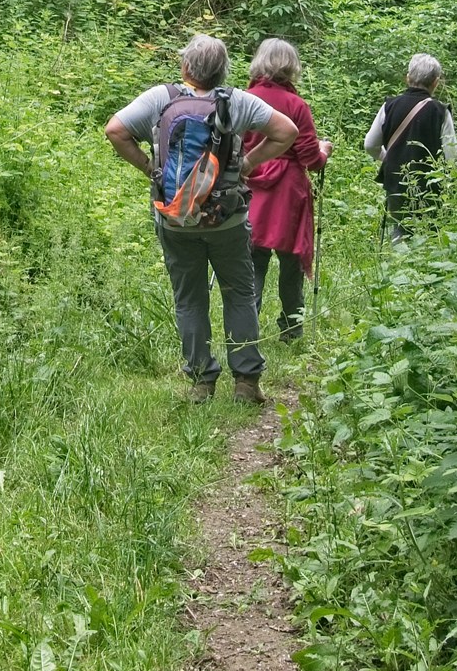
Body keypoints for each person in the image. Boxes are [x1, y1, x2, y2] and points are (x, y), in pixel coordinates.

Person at [106, 34, 302, 403]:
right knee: (240, 293)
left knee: (189, 298)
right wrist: (246, 164)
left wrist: (149, 168)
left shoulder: (161, 98)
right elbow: (287, 133)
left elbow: (115, 130)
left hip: (175, 219)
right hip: (227, 219)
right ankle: (246, 382)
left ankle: (201, 381)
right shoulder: (237, 101)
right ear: (224, 71)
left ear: (184, 67)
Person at [242, 38, 327, 345]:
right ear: (292, 67)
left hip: (251, 188)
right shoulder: (296, 106)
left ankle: (246, 333)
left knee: (252, 263)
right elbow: (311, 160)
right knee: (290, 265)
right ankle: (292, 331)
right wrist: (325, 151)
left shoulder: (244, 98)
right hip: (288, 194)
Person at [363, 54, 457, 235]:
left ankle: (399, 262)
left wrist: (388, 157)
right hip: (430, 186)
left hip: (395, 180)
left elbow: (370, 145)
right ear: (435, 82)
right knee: (429, 235)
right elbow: (452, 154)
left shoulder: (389, 106)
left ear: (408, 78)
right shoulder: (440, 111)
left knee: (400, 230)